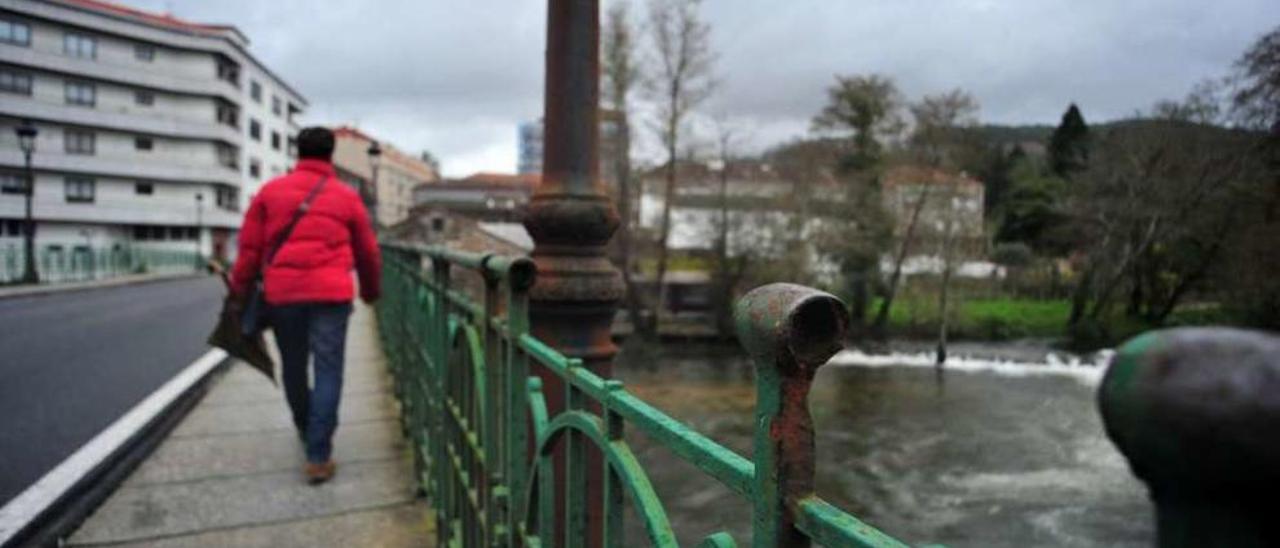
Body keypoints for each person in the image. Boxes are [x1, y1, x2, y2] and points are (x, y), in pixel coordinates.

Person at [229, 126, 381, 484]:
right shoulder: (346, 197)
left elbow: (249, 250)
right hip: (331, 296)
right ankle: (318, 454)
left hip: (284, 296)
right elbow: (368, 252)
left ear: (298, 152)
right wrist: (371, 291)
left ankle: (304, 426)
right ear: (331, 154)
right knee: (329, 370)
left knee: (294, 366)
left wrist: (239, 291)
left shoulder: (270, 192)